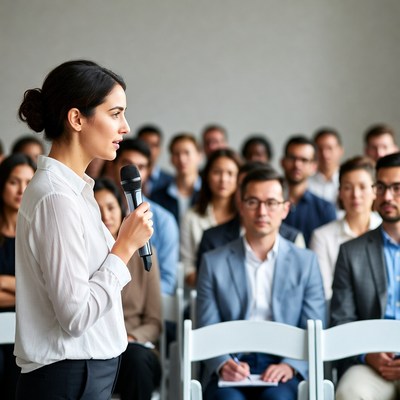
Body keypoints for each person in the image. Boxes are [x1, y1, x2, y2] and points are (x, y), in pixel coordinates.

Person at [15, 60, 153, 400]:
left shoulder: (78, 191)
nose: (125, 127)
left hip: (88, 371)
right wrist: (123, 248)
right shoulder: (55, 198)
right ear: (77, 119)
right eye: (115, 113)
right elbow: (75, 316)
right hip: (69, 376)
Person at [197, 168, 325, 400]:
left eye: (272, 203)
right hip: (232, 362)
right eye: (253, 202)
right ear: (241, 205)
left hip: (283, 361)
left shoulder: (305, 262)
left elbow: (314, 324)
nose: (262, 211)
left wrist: (290, 365)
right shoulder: (213, 262)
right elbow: (207, 324)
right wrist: (223, 362)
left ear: (285, 208)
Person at [330, 152, 400, 400]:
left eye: (397, 188)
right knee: (350, 393)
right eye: (381, 187)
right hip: (371, 362)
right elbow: (342, 319)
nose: (387, 196)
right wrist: (367, 354)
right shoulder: (351, 252)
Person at [94, 178, 162, 400]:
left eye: (111, 207)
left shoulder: (145, 253)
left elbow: (154, 322)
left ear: (122, 210)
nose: (106, 215)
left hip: (133, 346)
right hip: (96, 347)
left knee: (136, 360)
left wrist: (131, 337)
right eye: (98, 208)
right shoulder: (86, 255)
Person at [196, 162, 305, 271]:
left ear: (285, 208)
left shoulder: (293, 239)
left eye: (270, 202)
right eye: (242, 186)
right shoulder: (212, 238)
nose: (262, 211)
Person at [112, 138, 179, 295]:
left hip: (141, 307)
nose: (134, 173)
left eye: (141, 167)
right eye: (126, 164)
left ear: (148, 172)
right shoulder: (99, 212)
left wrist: (137, 299)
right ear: (113, 165)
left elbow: (168, 281)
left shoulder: (165, 221)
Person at [309, 156, 381, 300]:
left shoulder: (388, 231)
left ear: (375, 191)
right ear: (340, 192)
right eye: (348, 187)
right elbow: (324, 291)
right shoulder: (322, 236)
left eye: (362, 187)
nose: (356, 195)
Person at [0, 154, 35, 400]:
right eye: (14, 182)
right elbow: (33, 291)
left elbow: (42, 291)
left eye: (28, 182)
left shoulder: (38, 229)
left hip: (30, 327)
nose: (22, 189)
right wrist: (26, 291)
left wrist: (3, 282)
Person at [181, 148, 241, 288]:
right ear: (207, 175)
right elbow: (187, 267)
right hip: (203, 291)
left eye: (230, 173)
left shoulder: (246, 215)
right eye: (217, 172)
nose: (223, 179)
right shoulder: (191, 217)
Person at [280, 135, 337, 246]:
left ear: (314, 167)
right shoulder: (268, 205)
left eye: (304, 160)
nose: (297, 164)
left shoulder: (325, 209)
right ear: (282, 162)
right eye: (292, 158)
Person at [151, 133, 202, 226]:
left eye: (187, 153)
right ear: (171, 159)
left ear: (199, 156)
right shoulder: (158, 197)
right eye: (176, 154)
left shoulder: (209, 193)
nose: (182, 159)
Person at [308, 127, 344, 207]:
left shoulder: (348, 182)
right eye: (319, 149)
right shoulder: (306, 184)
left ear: (340, 151)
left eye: (329, 148)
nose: (325, 154)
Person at [136, 124, 173, 196]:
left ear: (160, 149)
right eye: (145, 144)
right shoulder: (125, 178)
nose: (149, 149)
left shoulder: (170, 182)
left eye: (154, 145)